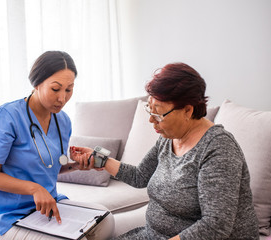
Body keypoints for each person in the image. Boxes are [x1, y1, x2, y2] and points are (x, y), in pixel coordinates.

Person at [70, 62, 260, 240]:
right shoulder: (168, 138)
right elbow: (139, 176)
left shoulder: (218, 149)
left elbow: (215, 226)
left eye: (158, 113)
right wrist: (99, 159)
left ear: (187, 110)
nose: (152, 121)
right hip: (153, 234)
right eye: (150, 110)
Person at [0, 51, 114, 240]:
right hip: (7, 214)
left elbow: (49, 168)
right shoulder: (6, 116)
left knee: (105, 219)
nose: (62, 98)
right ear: (36, 83)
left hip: (48, 206)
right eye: (55, 89)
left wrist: (76, 165)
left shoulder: (63, 121)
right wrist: (35, 189)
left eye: (69, 89)